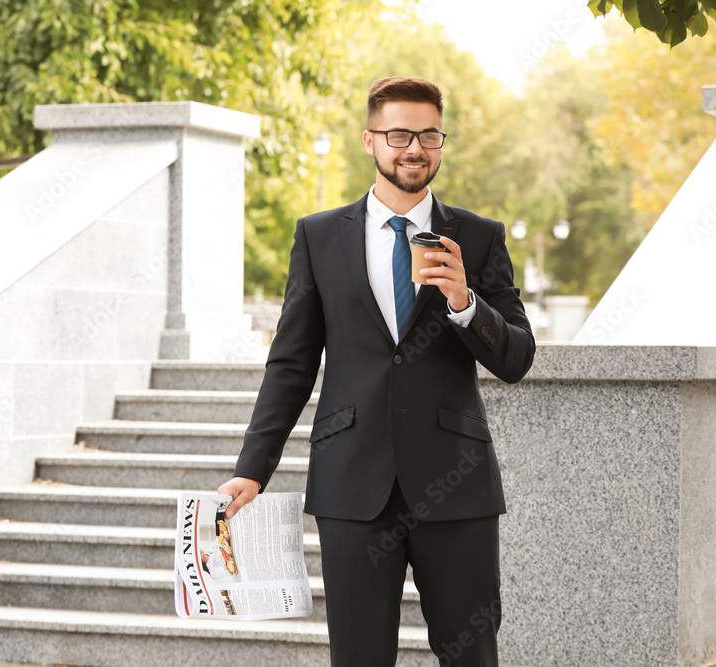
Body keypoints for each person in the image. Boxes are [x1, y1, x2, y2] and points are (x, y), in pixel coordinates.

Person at [218, 75, 535, 666]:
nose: (414, 148)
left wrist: (466, 303)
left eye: (428, 135)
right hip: (351, 484)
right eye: (398, 134)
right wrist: (251, 469)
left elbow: (517, 357)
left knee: (472, 655)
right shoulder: (317, 236)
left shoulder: (479, 237)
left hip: (455, 487)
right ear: (370, 141)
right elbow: (291, 363)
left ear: (441, 143)